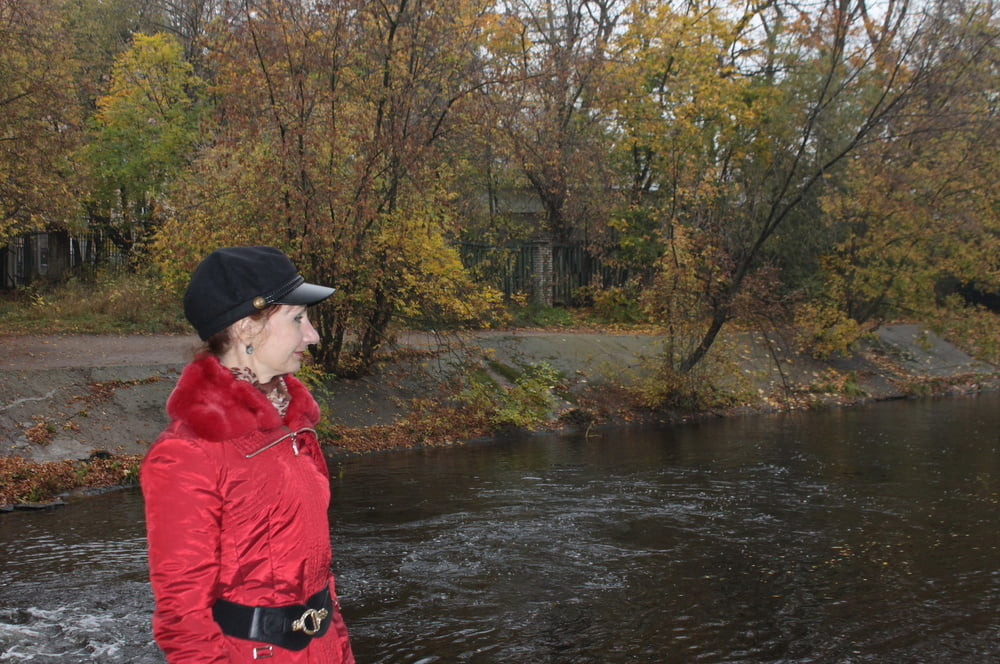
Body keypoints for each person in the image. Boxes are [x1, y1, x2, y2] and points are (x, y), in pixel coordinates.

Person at [140, 246, 355, 663]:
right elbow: (182, 620)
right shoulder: (188, 453)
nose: (312, 335)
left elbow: (320, 581)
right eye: (297, 318)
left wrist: (342, 653)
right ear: (245, 328)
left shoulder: (295, 429)